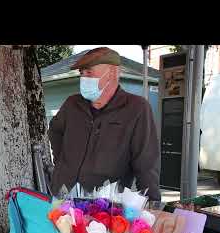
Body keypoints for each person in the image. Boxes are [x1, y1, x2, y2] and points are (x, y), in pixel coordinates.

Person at [48, 47, 161, 201]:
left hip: (105, 205)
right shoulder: (72, 104)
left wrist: (152, 206)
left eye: (89, 72)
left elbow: (146, 164)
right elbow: (55, 131)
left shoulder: (136, 108)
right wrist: (62, 163)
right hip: (62, 194)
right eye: (81, 73)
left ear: (113, 73)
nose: (84, 78)